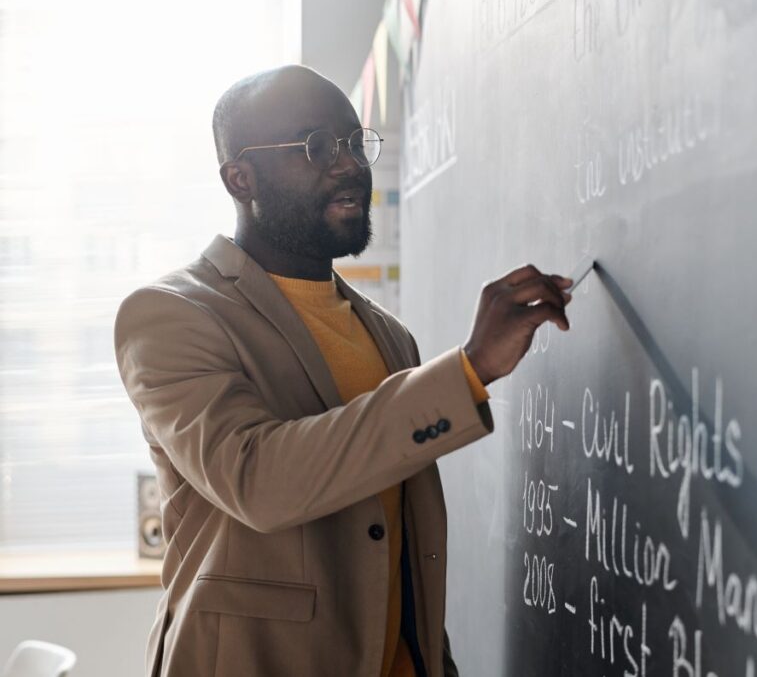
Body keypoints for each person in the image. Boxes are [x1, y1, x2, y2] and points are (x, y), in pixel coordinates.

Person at [113, 64, 573, 677]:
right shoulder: (169, 316)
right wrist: (469, 370)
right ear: (240, 178)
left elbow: (404, 543)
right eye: (317, 146)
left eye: (356, 142)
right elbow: (258, 480)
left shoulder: (388, 335)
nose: (350, 164)